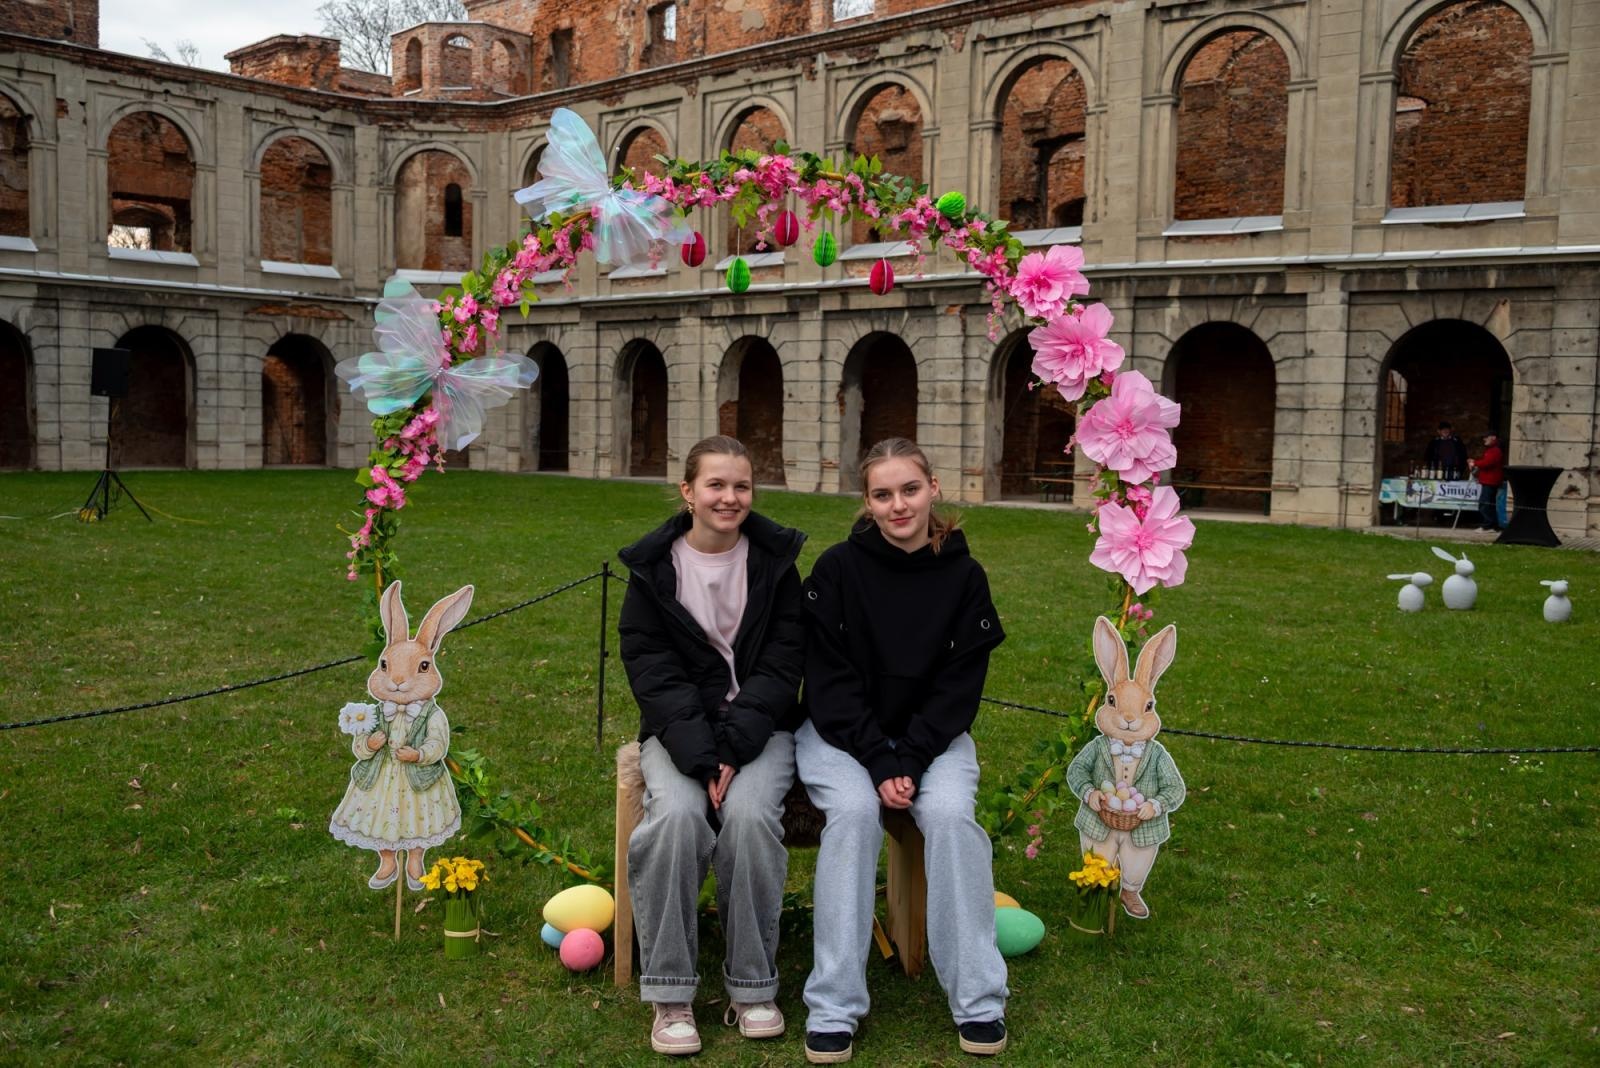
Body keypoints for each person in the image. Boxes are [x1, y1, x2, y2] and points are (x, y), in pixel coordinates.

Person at [798, 437, 1010, 1063]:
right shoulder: (837, 569)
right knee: (857, 816)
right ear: (866, 501)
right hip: (842, 737)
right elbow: (828, 684)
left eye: (909, 490)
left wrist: (909, 759)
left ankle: (979, 999)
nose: (899, 506)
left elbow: (957, 688)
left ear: (933, 488)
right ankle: (833, 1004)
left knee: (948, 817)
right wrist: (880, 761)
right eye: (883, 494)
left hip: (932, 739)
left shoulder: (965, 576)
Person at [617, 435, 807, 1057]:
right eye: (716, 485)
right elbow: (653, 671)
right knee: (673, 816)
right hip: (679, 731)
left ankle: (752, 985)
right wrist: (702, 755)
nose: (730, 497)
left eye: (742, 486)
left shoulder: (775, 562)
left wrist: (735, 747)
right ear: (689, 492)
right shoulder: (653, 569)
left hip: (760, 729)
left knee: (751, 817)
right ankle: (671, 989)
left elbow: (782, 663)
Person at [1468, 432, 1505, 532]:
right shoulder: (1492, 450)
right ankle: (1493, 525)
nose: (1484, 439)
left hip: (1491, 481)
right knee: (1489, 504)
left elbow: (1488, 463)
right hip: (1489, 480)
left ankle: (1488, 525)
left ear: (1493, 437)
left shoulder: (1495, 450)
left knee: (1485, 504)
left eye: (1486, 437)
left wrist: (1474, 462)